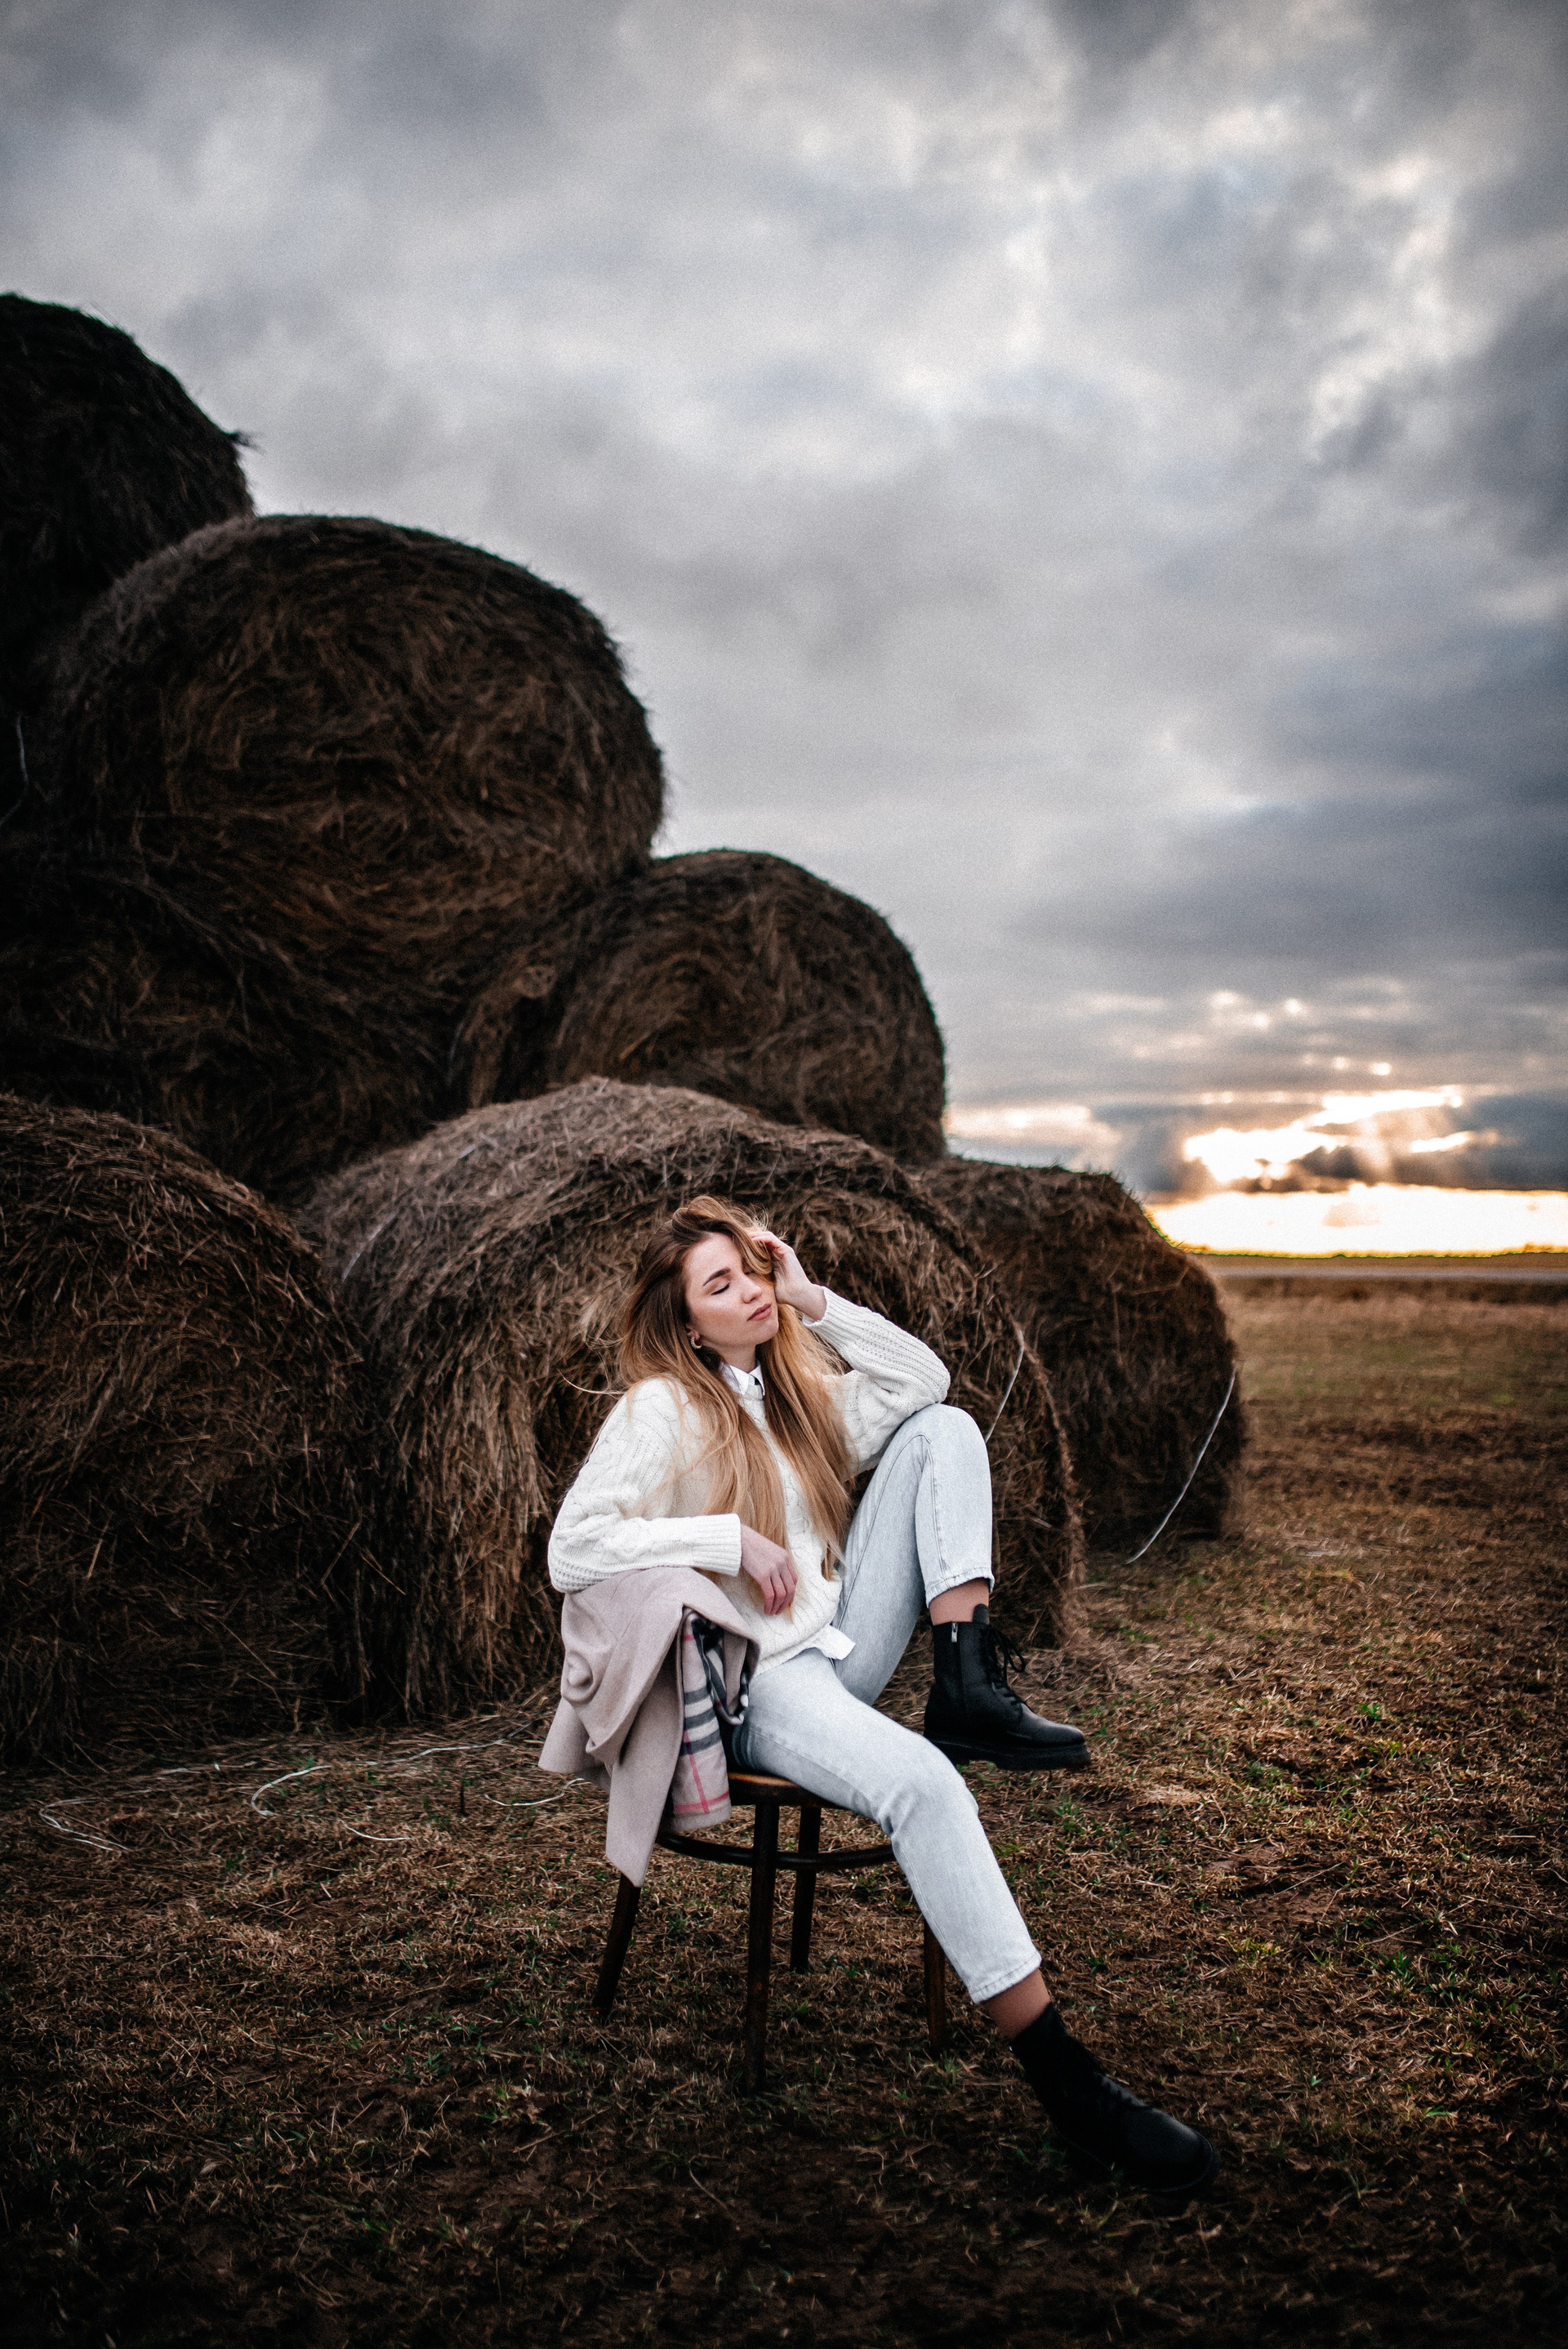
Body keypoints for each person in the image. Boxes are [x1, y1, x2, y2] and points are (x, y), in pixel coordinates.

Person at [549, 1197, 1218, 2197]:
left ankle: (966, 1677)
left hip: (837, 1643)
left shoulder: (797, 1395)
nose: (749, 1291)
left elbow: (922, 1380)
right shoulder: (662, 1410)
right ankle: (1070, 2084)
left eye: (753, 1269)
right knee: (927, 1785)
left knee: (945, 1427)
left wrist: (811, 1295)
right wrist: (727, 1540)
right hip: (761, 1681)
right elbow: (573, 1546)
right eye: (721, 1283)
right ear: (687, 1322)